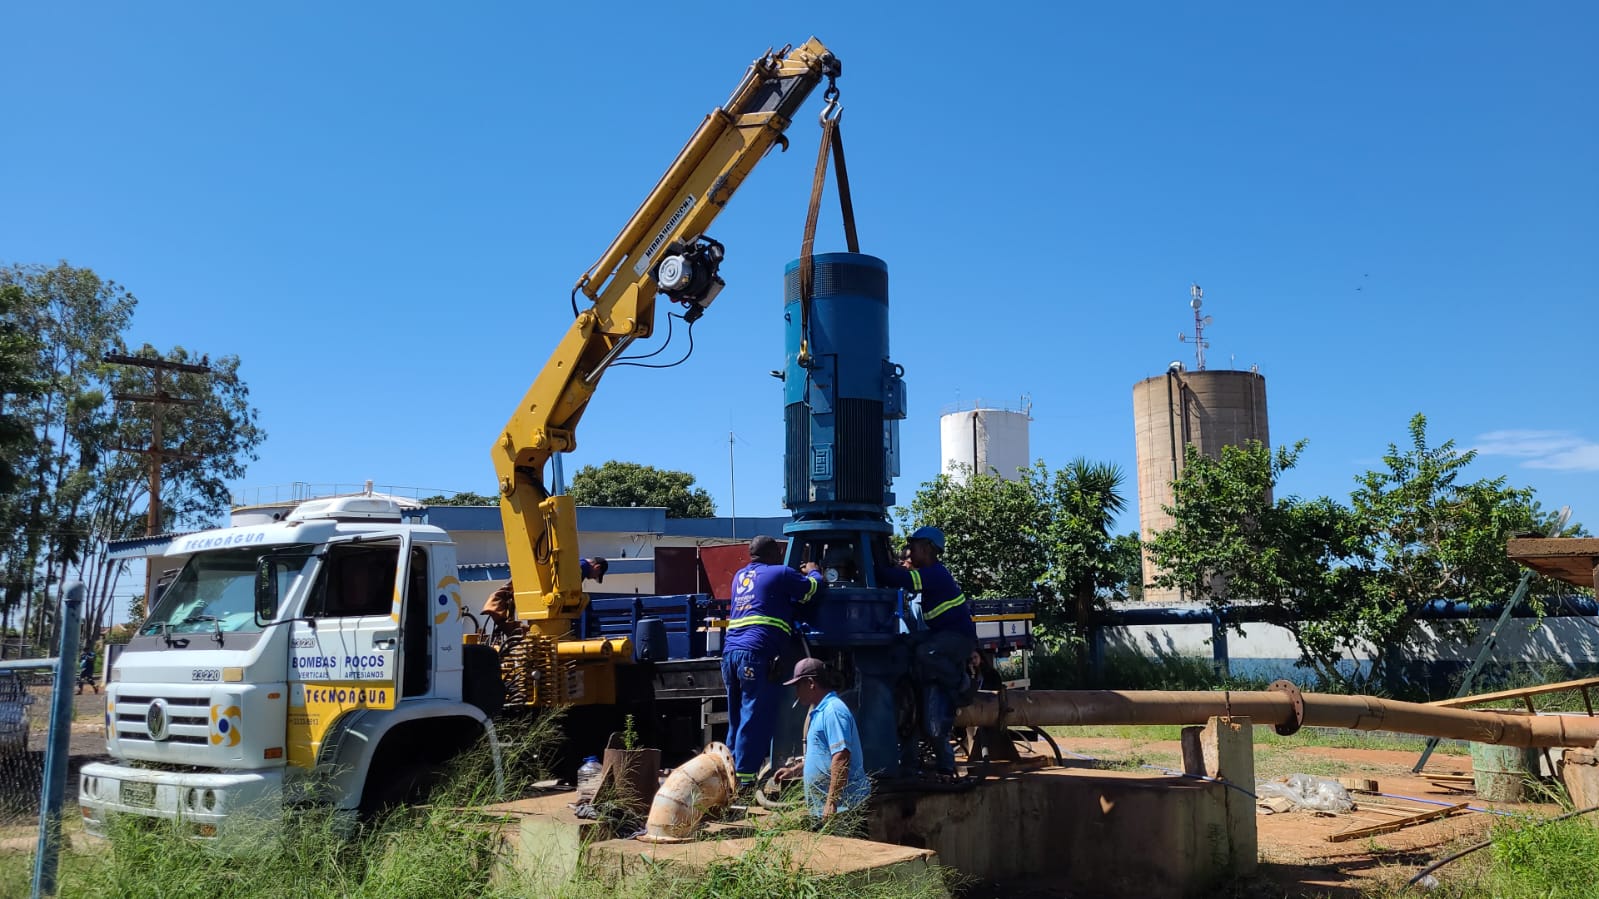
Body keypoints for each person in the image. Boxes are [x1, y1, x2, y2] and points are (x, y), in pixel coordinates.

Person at [722, 535, 824, 792]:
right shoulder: (780, 573)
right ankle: (744, 784)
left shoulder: (739, 577)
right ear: (774, 554)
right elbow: (812, 590)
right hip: (755, 654)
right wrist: (814, 572)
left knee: (736, 719)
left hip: (730, 653)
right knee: (754, 717)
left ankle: (727, 778)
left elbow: (770, 601)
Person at [875, 526, 976, 780]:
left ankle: (959, 687)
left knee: (925, 653)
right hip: (940, 635)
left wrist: (876, 566)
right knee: (905, 645)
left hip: (956, 639)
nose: (910, 551)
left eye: (914, 546)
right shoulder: (927, 573)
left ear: (928, 549)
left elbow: (902, 580)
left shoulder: (936, 573)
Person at [775, 657, 869, 823]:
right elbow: (824, 757)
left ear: (811, 683)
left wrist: (831, 802)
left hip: (843, 809)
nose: (796, 692)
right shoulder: (820, 712)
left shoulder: (833, 711)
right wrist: (794, 771)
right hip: (828, 809)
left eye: (798, 685)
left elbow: (841, 757)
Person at [480, 557, 608, 630]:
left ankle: (495, 608)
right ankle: (494, 606)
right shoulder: (582, 567)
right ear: (597, 568)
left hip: (534, 573)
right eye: (596, 576)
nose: (592, 578)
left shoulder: (577, 563)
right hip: (537, 576)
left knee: (508, 596)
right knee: (506, 594)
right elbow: (568, 590)